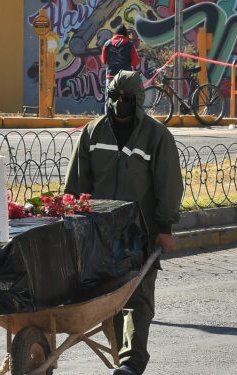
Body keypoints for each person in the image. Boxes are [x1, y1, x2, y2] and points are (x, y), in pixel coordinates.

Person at [64, 70, 183, 375]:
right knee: (108, 299)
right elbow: (77, 182)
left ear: (138, 101)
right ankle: (122, 356)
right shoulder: (92, 133)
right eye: (114, 97)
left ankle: (131, 363)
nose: (119, 104)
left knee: (138, 299)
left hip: (140, 233)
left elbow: (167, 184)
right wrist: (70, 218)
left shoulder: (156, 137)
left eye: (126, 99)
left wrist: (164, 228)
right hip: (99, 232)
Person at [102, 25, 140, 112]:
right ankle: (127, 121)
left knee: (108, 100)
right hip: (125, 77)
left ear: (115, 34)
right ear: (125, 34)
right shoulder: (130, 45)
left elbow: (104, 60)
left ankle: (108, 120)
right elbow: (135, 62)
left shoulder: (107, 44)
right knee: (127, 100)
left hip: (111, 76)